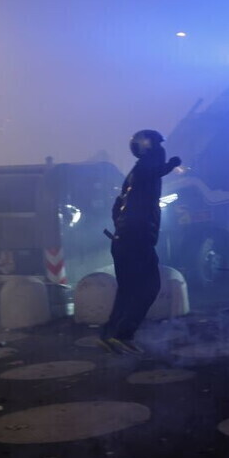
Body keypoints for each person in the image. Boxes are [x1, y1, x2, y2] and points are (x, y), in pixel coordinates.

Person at [99, 129, 180, 354]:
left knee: (127, 290)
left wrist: (122, 228)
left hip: (121, 240)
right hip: (138, 241)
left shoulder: (132, 177)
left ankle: (109, 335)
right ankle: (123, 335)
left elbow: (116, 207)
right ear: (150, 149)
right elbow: (154, 170)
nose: (162, 151)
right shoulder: (146, 170)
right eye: (158, 147)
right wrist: (171, 164)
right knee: (149, 287)